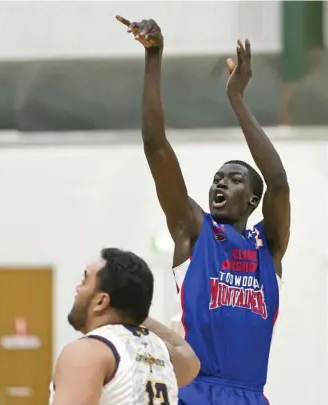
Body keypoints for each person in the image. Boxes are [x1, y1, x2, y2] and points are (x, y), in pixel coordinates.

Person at [117, 16, 290, 405]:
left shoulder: (270, 245)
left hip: (250, 394)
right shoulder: (192, 229)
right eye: (217, 178)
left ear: (252, 199)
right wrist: (154, 56)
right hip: (194, 391)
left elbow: (278, 181)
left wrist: (237, 100)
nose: (220, 183)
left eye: (233, 179)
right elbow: (155, 144)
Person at [49, 248, 200, 405]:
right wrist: (133, 310)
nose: (77, 289)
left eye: (84, 282)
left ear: (101, 302)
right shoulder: (162, 352)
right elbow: (189, 357)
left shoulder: (86, 352)